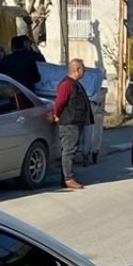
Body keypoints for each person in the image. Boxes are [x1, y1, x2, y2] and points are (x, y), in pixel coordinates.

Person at [51, 59, 93, 190]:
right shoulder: (67, 84)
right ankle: (68, 178)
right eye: (83, 69)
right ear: (78, 69)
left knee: (71, 150)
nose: (84, 72)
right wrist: (56, 114)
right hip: (69, 123)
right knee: (69, 151)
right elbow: (59, 102)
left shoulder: (74, 84)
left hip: (75, 122)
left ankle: (67, 177)